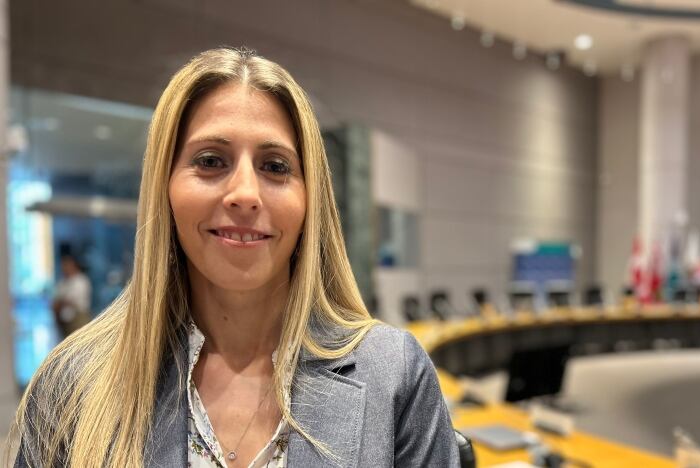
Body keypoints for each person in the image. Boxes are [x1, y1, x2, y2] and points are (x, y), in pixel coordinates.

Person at [10, 47, 458, 467]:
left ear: (310, 199)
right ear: (165, 189)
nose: (244, 193)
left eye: (276, 166)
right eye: (210, 160)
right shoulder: (71, 384)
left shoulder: (396, 373)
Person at [51, 253, 92, 338]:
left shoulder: (81, 280)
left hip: (79, 320)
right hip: (64, 322)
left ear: (74, 265)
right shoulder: (62, 282)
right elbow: (56, 301)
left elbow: (71, 300)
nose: (64, 268)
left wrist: (61, 302)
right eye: (63, 265)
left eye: (67, 265)